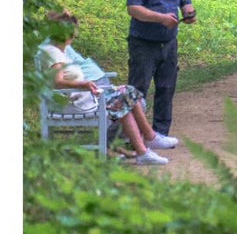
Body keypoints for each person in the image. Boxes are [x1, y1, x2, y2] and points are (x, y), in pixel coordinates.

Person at [39, 10, 177, 165]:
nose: (72, 38)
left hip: (82, 99)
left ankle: (148, 142)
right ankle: (146, 146)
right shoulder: (52, 53)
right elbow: (58, 82)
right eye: (71, 34)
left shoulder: (57, 51)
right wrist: (83, 84)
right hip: (74, 104)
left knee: (127, 92)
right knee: (122, 100)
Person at [127, 0, 196, 136]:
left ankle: (161, 133)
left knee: (166, 88)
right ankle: (130, 135)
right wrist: (161, 18)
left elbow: (185, 1)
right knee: (137, 89)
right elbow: (133, 9)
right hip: (144, 43)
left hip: (169, 42)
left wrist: (188, 13)